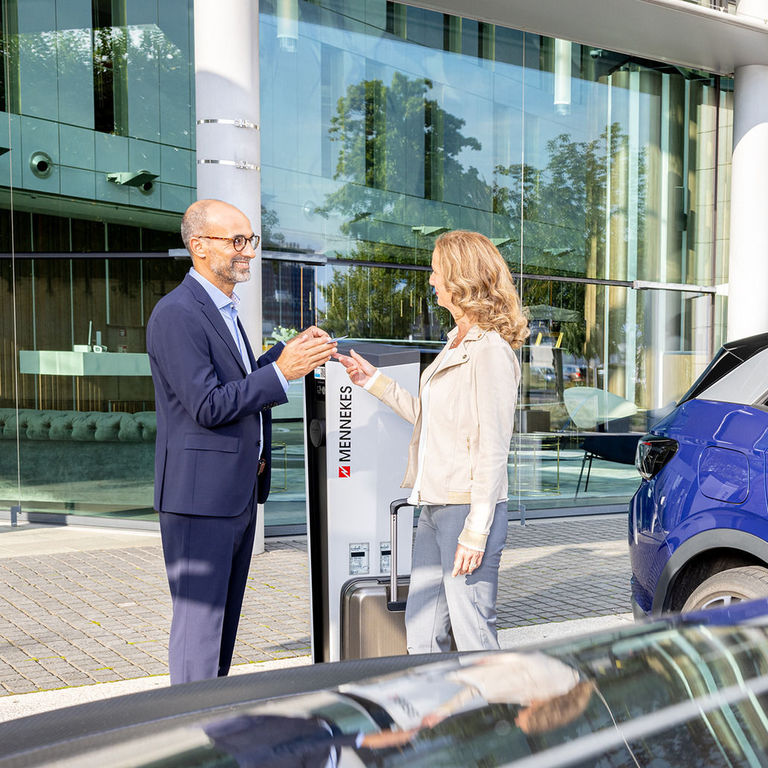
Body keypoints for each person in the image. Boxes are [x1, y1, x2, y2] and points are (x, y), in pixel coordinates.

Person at [147, 199, 335, 684]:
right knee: (199, 633)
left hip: (235, 496)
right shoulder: (177, 314)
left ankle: (211, 724)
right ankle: (188, 737)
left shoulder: (222, 309)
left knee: (223, 628)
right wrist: (281, 372)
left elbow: (237, 381)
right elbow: (207, 404)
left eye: (249, 240)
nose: (247, 251)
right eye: (237, 241)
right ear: (199, 247)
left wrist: (284, 355)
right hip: (199, 501)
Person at [335, 230, 528, 653]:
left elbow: (493, 446)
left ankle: (493, 715)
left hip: (466, 511)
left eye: (436, 270)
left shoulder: (490, 350)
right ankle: (437, 718)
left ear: (461, 278)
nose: (430, 280)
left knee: (473, 633)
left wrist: (476, 532)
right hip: (434, 507)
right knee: (422, 638)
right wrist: (375, 382)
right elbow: (434, 419)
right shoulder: (455, 342)